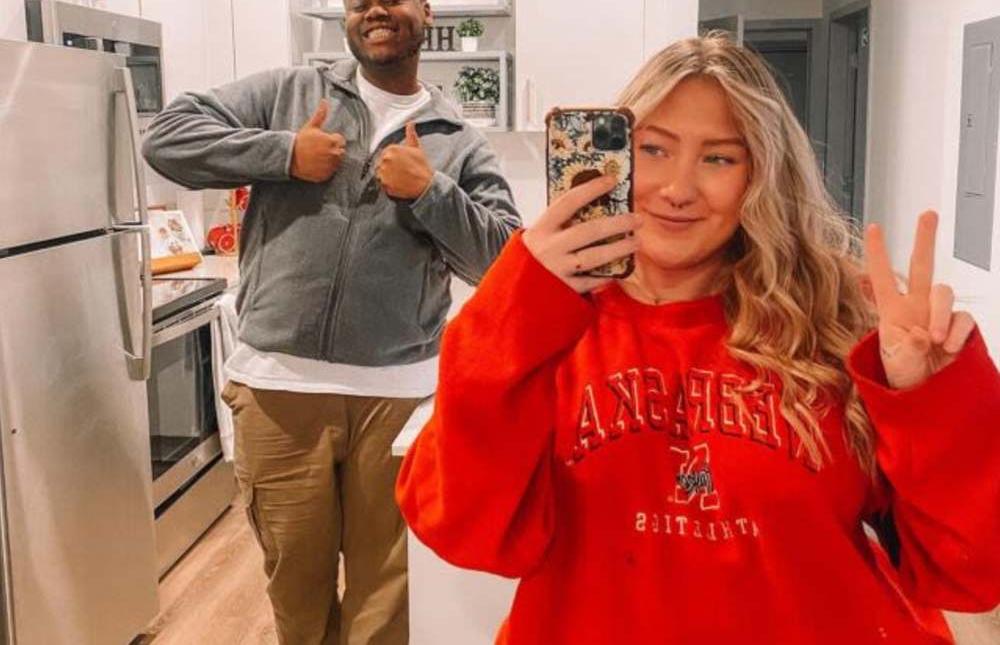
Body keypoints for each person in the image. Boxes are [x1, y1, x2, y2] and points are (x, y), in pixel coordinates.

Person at [395, 33, 1000, 644]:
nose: (678, 188)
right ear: (616, 156)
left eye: (718, 158)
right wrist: (512, 311)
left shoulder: (839, 317)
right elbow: (465, 533)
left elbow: (968, 573)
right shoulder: (541, 321)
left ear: (761, 174)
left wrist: (934, 398)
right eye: (653, 149)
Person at [142, 0, 521, 642]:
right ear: (346, 19)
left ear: (424, 12)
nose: (376, 9)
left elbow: (503, 262)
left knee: (387, 600)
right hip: (279, 391)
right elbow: (167, 137)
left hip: (398, 402)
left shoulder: (458, 139)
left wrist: (429, 190)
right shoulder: (288, 94)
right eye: (359, 1)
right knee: (297, 594)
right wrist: (283, 153)